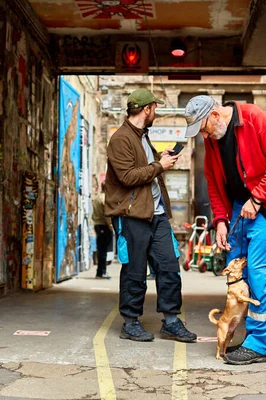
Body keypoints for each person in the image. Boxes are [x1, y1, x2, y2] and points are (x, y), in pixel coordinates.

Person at [184, 95, 266, 365]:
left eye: (203, 128)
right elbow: (213, 182)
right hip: (239, 206)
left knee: (260, 272)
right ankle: (258, 340)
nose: (204, 136)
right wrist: (221, 220)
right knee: (238, 268)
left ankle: (259, 344)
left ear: (214, 115)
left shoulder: (254, 118)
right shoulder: (212, 139)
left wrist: (258, 198)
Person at [105, 88, 197, 343]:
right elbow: (127, 177)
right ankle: (131, 322)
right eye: (155, 108)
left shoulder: (143, 137)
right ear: (147, 109)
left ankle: (171, 321)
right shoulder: (121, 138)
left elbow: (144, 167)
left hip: (156, 215)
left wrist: (160, 158)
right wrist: (159, 166)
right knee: (135, 270)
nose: (155, 112)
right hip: (133, 214)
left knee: (169, 267)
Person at [92, 182, 112, 279]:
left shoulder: (96, 198)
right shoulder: (105, 199)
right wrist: (111, 226)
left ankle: (100, 271)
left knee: (101, 249)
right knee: (103, 250)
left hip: (97, 224)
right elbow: (107, 215)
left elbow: (93, 214)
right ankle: (102, 271)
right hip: (104, 226)